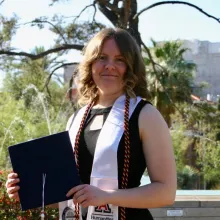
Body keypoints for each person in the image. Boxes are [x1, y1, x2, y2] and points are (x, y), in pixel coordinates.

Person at [5, 28, 177, 220]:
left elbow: (166, 192)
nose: (109, 66)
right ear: (90, 64)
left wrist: (106, 197)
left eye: (119, 60)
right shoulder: (76, 119)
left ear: (130, 67)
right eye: (102, 57)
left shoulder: (145, 115)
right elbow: (72, 196)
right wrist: (28, 191)